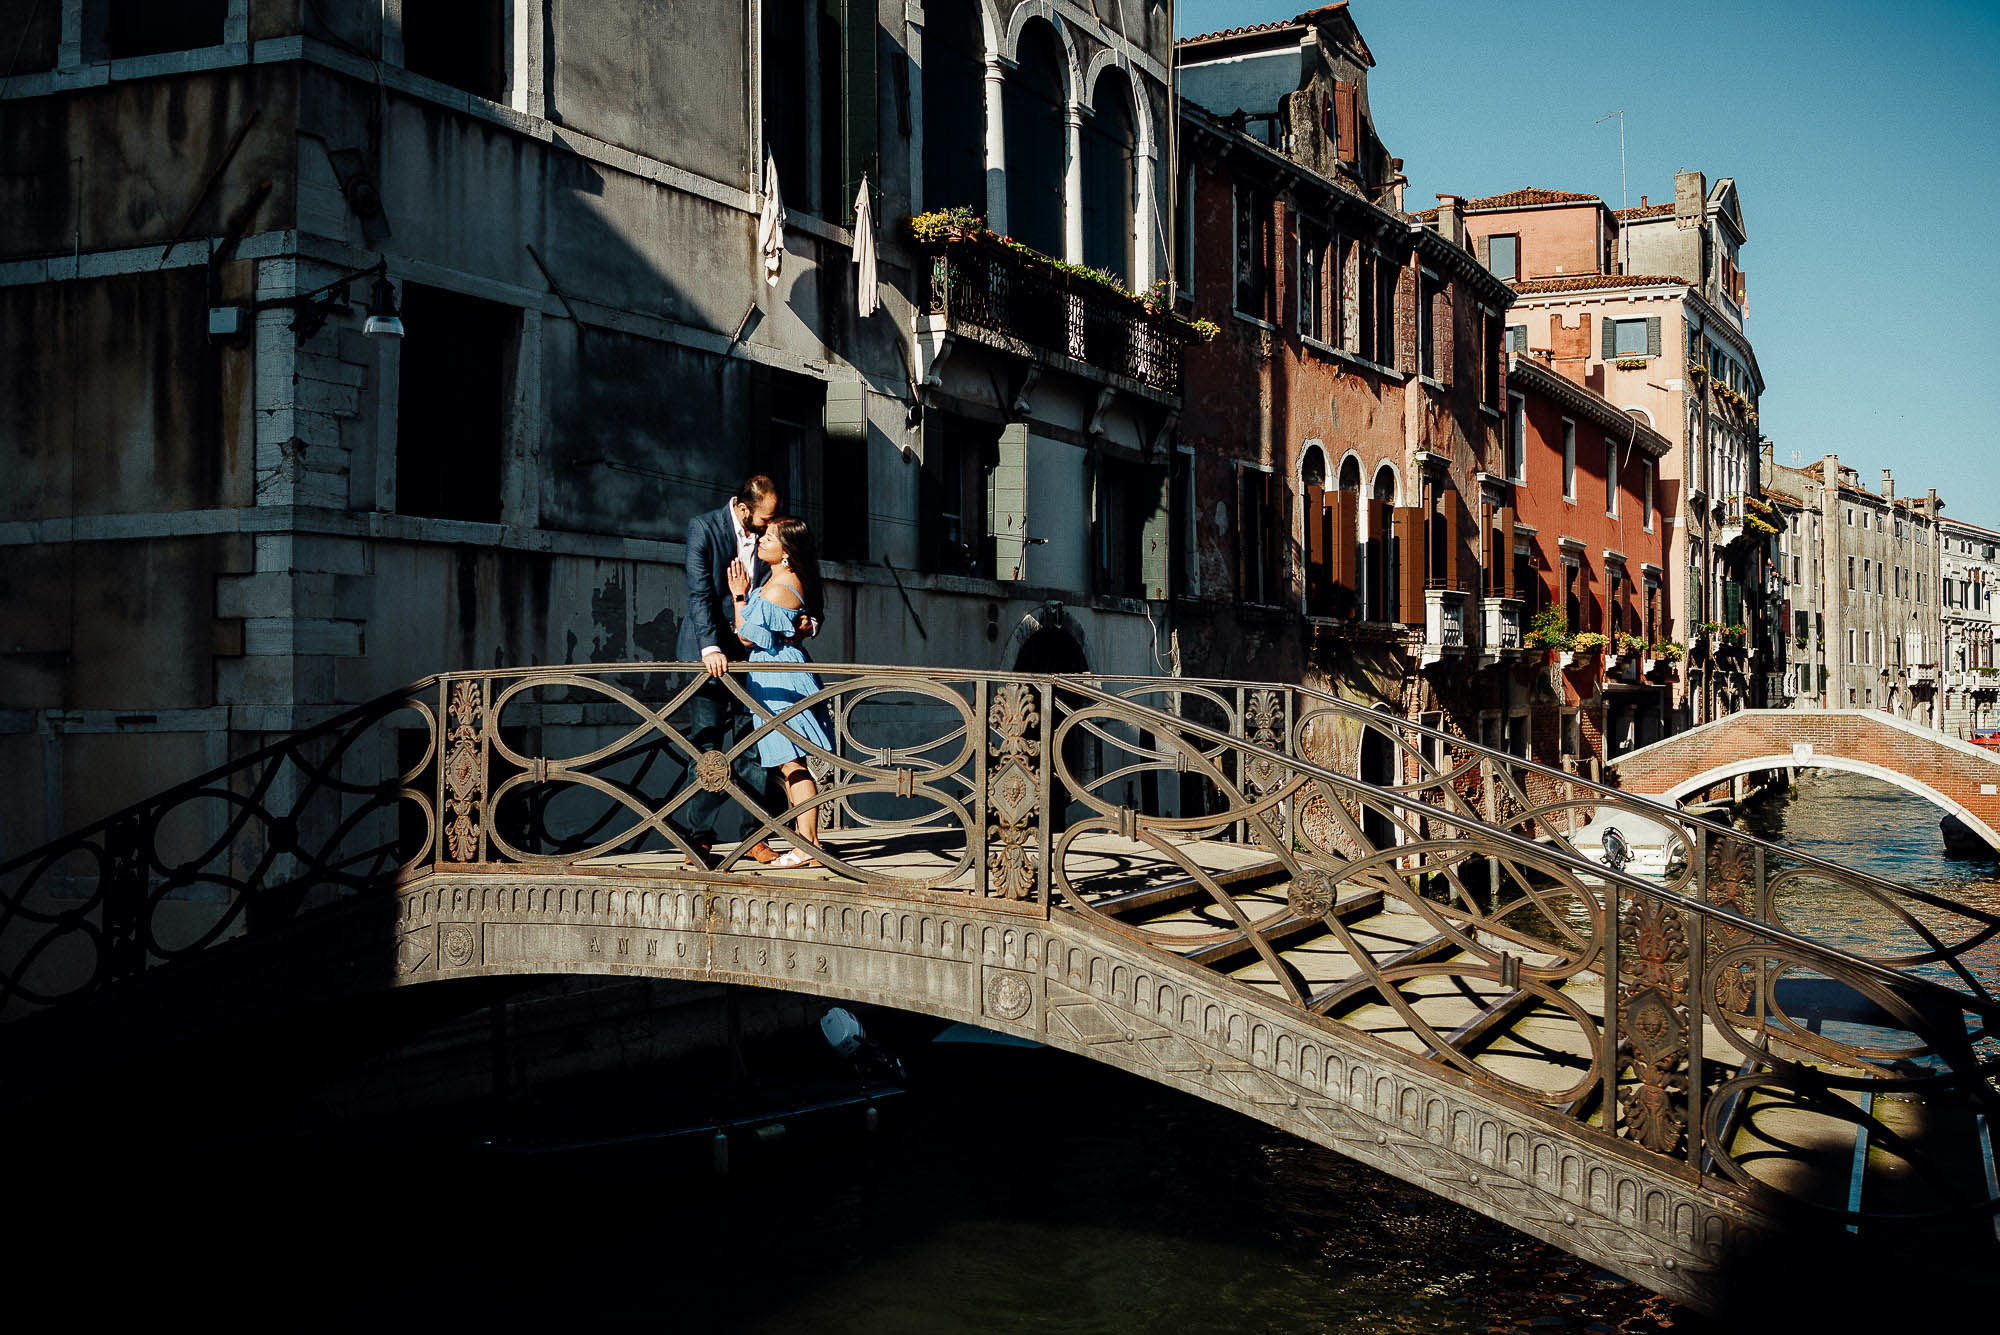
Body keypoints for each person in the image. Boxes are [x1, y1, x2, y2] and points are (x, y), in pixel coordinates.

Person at [675, 475, 790, 865]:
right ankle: (699, 838)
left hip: (753, 657)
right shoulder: (703, 528)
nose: (767, 527)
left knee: (753, 748)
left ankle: (754, 836)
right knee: (707, 747)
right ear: (743, 508)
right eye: (763, 519)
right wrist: (710, 646)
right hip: (710, 654)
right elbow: (700, 592)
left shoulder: (767, 535)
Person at [726, 516, 834, 869]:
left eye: (770, 538)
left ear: (787, 551)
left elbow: (745, 636)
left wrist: (739, 596)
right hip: (773, 674)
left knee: (791, 762)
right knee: (787, 764)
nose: (762, 541)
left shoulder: (779, 587)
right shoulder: (777, 580)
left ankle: (809, 845)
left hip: (780, 678)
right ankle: (809, 844)